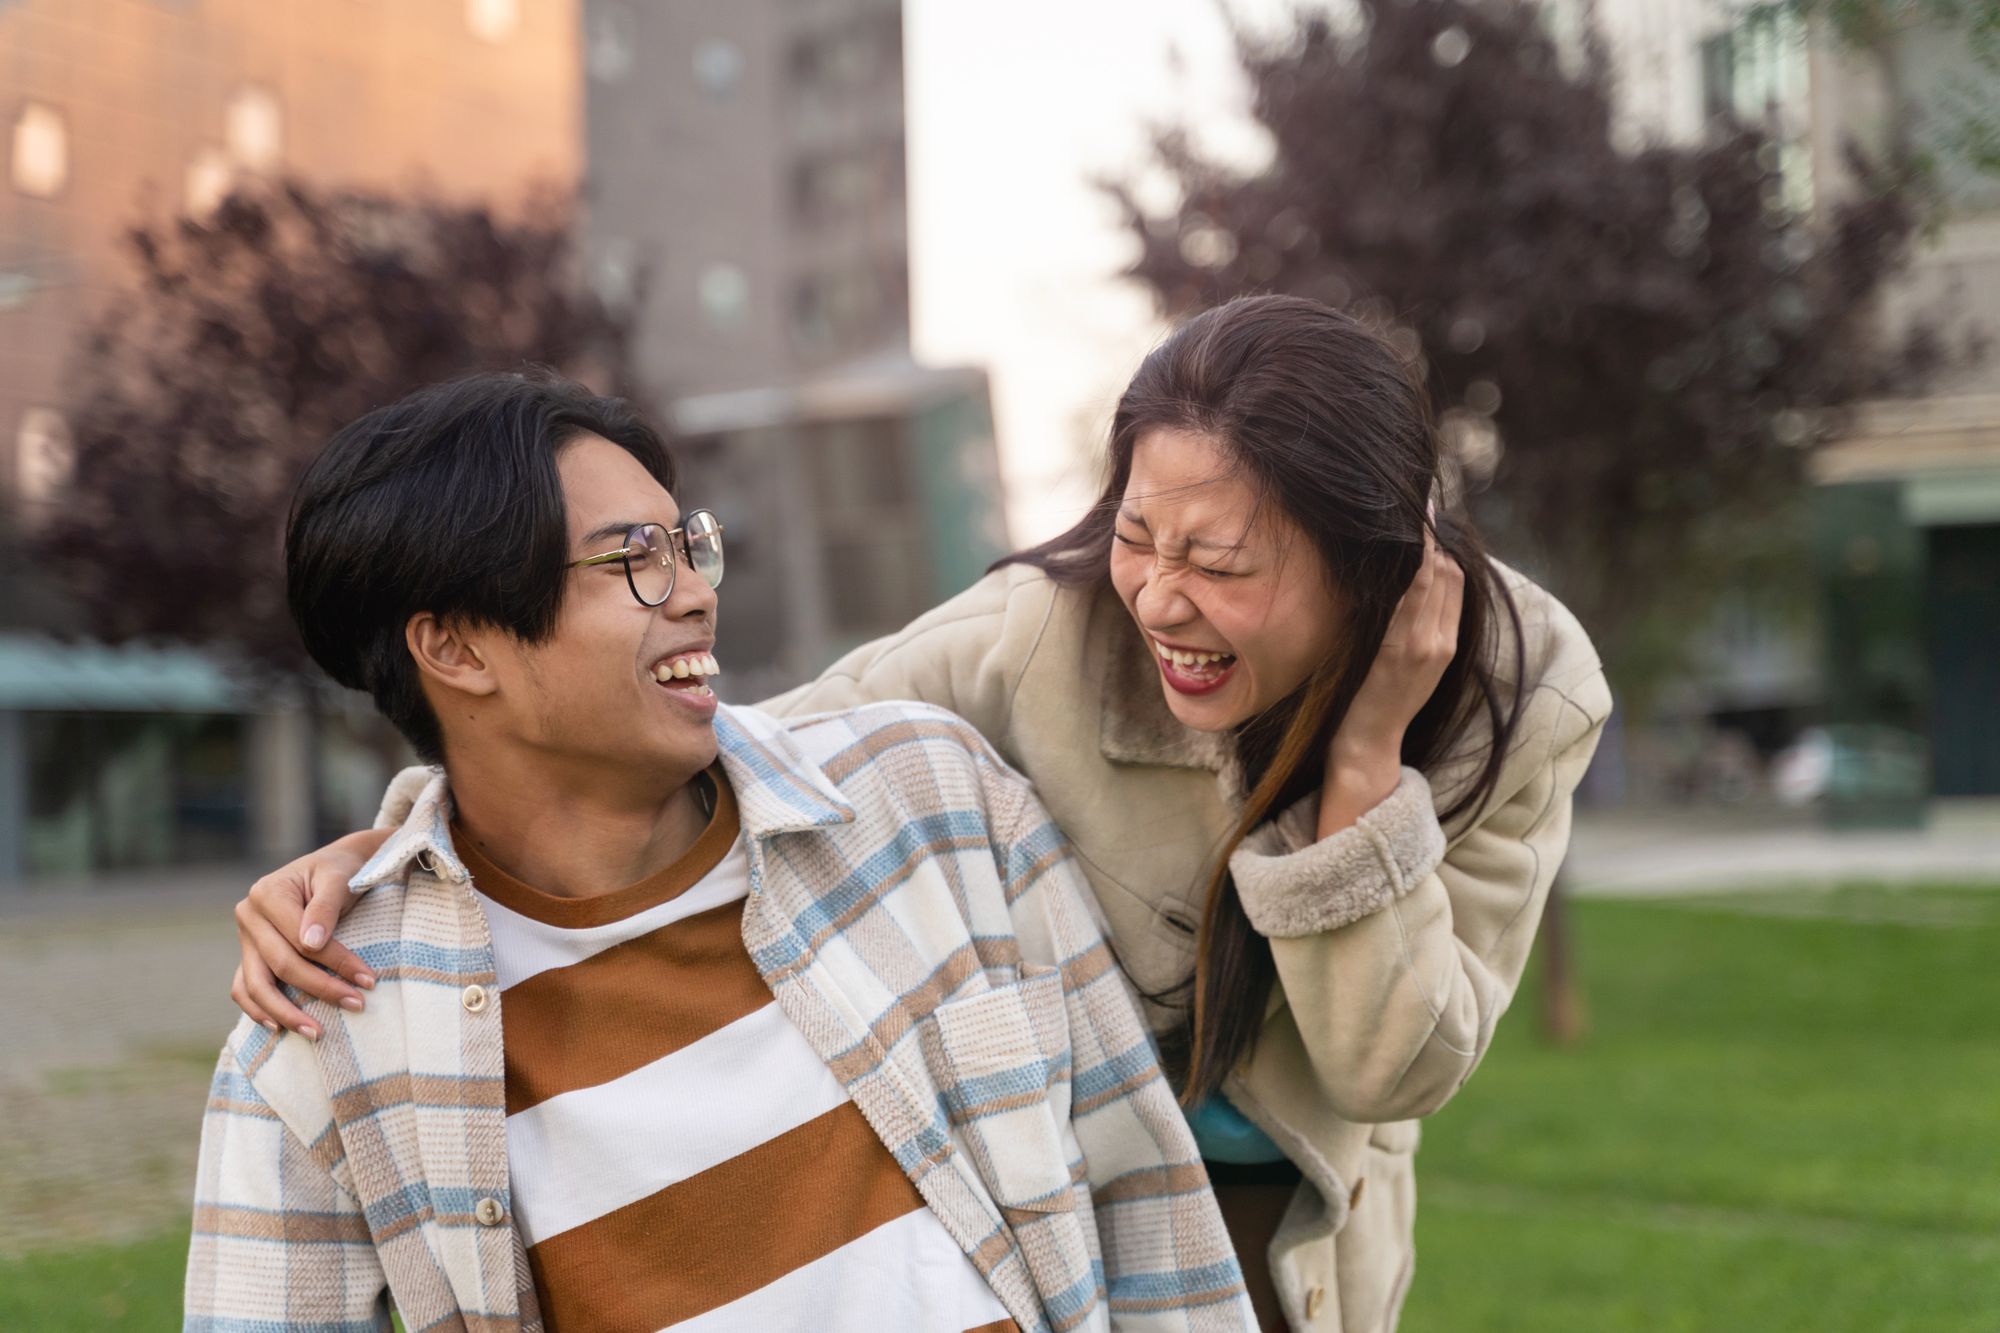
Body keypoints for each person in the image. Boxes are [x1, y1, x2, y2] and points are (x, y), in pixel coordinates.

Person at [230, 295, 1612, 1332]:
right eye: (1139, 535)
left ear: (1373, 567)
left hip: (1276, 1216)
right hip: (1032, 1169)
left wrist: (1367, 762)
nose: (1162, 598)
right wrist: (411, 842)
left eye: (1223, 562)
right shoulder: (1036, 644)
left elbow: (1394, 1073)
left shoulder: (1522, 696)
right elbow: (741, 750)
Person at [186, 373, 1252, 1332]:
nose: (694, 588)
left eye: (687, 543)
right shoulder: (323, 1028)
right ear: (456, 648)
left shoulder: (930, 802)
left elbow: (1148, 1213)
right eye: (632, 561)